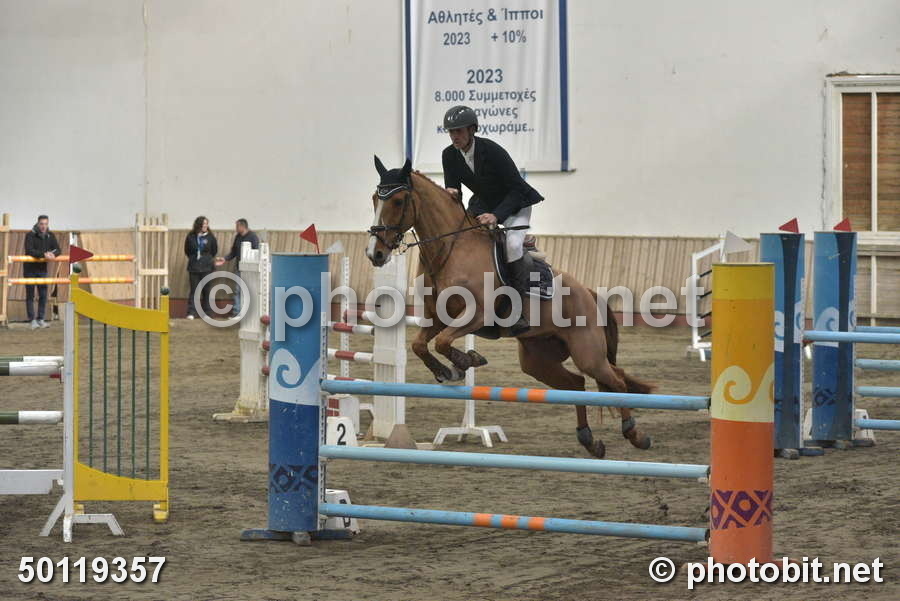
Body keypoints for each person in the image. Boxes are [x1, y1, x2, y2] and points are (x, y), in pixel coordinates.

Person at [441, 105, 544, 335]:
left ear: (472, 130)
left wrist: (497, 215)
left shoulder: (492, 151)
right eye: (451, 132)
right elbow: (454, 189)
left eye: (459, 131)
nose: (454, 136)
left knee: (513, 245)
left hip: (515, 202)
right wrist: (449, 194)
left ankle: (517, 310)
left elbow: (517, 188)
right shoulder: (449, 155)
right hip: (484, 203)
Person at [23, 214, 61, 329]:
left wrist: (52, 254)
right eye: (41, 224)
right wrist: (44, 254)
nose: (44, 226)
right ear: (38, 224)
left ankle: (40, 319)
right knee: (30, 295)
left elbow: (58, 249)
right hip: (30, 269)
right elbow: (29, 250)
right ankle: (32, 320)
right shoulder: (30, 235)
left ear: (48, 224)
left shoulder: (50, 235)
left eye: (45, 224)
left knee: (43, 295)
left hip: (42, 269)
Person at [215, 218, 259, 316]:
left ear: (242, 226)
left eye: (237, 226)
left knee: (248, 290)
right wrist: (225, 259)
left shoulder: (253, 237)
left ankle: (249, 312)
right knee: (237, 290)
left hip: (250, 269)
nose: (235, 228)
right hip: (239, 268)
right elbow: (234, 252)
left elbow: (256, 252)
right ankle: (236, 312)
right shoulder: (238, 237)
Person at [184, 216, 218, 319]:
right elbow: (187, 250)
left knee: (206, 290)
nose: (205, 226)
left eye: (206, 224)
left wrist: (206, 259)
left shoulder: (210, 237)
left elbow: (214, 250)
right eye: (203, 224)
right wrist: (195, 259)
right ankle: (191, 312)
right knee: (194, 290)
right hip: (194, 267)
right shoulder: (191, 236)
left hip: (207, 267)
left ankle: (207, 313)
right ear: (198, 225)